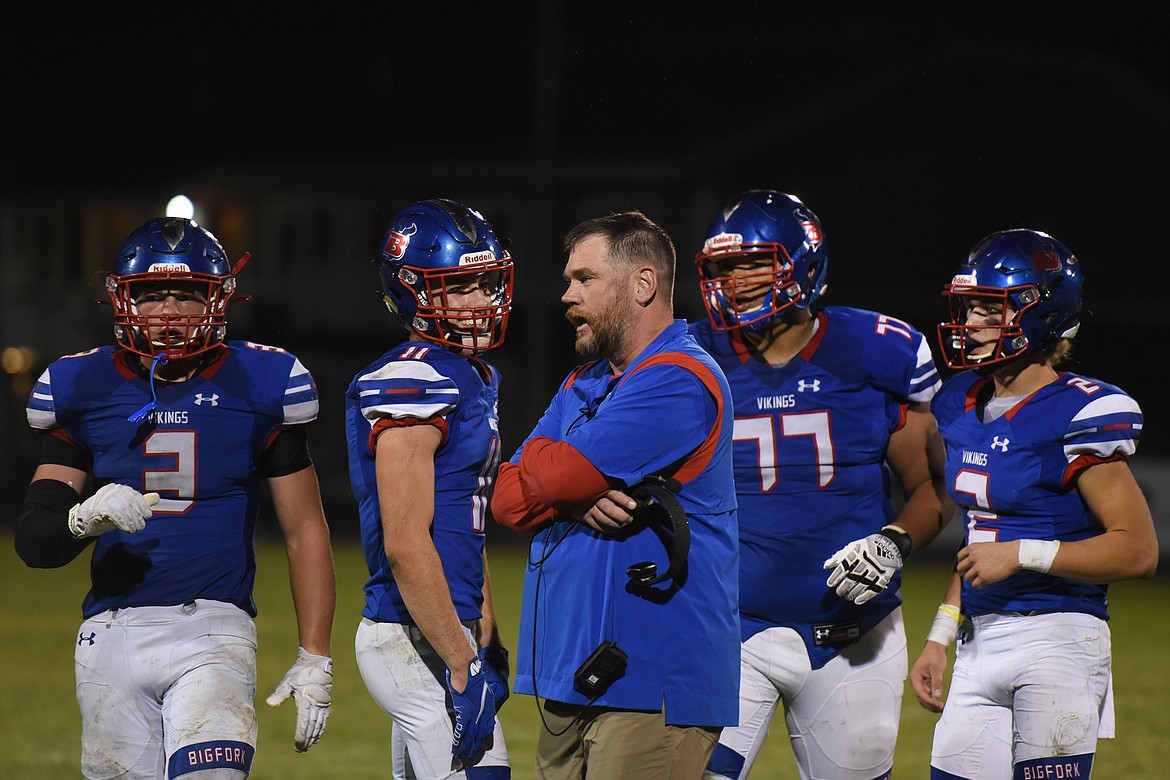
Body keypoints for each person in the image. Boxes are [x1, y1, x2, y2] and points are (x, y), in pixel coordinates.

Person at [13, 217, 337, 779]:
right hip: (111, 634)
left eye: (185, 296)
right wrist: (83, 519)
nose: (168, 312)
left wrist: (316, 655)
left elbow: (305, 528)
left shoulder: (261, 382)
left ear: (217, 299)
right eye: (152, 295)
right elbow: (35, 541)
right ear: (122, 300)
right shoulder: (81, 386)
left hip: (211, 628)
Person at [689, 190, 950, 780]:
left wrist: (892, 543)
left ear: (803, 262)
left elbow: (933, 490)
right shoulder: (693, 357)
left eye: (753, 263)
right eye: (723, 267)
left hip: (854, 633)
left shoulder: (878, 350)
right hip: (728, 627)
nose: (735, 281)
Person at [491, 210, 740, 779]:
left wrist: (558, 477)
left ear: (642, 284)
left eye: (584, 279)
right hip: (571, 671)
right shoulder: (586, 380)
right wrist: (575, 493)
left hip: (653, 681)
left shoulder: (679, 377)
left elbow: (546, 479)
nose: (565, 295)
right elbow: (507, 501)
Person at [909, 228, 1158, 779]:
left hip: (1060, 638)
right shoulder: (958, 401)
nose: (969, 323)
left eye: (986, 310)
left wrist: (1026, 553)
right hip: (980, 638)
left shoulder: (1078, 411)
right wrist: (939, 635)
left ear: (1037, 314)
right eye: (968, 308)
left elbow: (1138, 552)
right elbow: (981, 538)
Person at [346, 198, 514, 779]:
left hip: (443, 624)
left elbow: (463, 512)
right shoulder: (414, 376)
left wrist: (484, 618)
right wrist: (463, 661)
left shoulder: (472, 374)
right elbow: (405, 541)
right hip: (409, 629)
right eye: (458, 286)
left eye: (483, 283)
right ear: (412, 290)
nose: (478, 301)